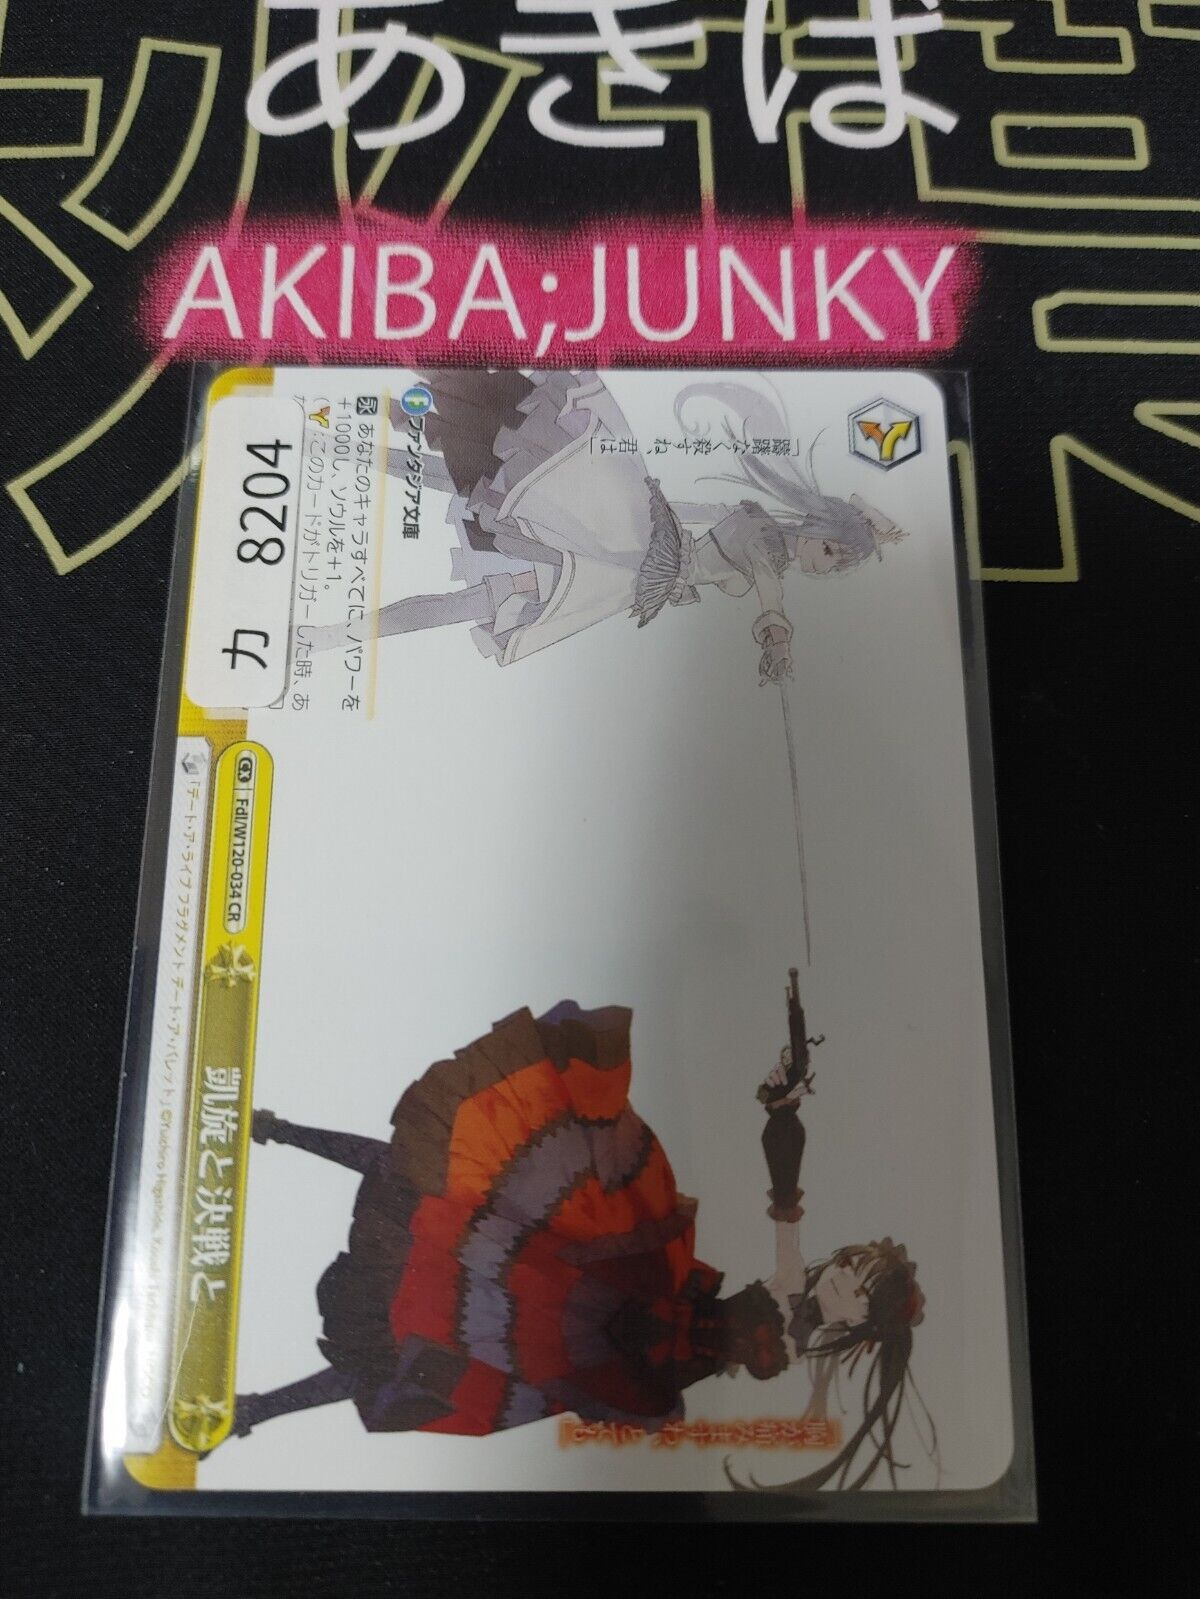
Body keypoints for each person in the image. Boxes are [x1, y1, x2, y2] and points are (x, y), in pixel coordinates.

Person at [233, 997, 928, 1491]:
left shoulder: (799, 1326)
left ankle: (257, 1406)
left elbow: (785, 1198)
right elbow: (785, 1190)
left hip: (619, 1353)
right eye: (853, 1267)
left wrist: (784, 1113)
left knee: (451, 1346)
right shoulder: (794, 1292)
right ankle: (281, 1131)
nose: (844, 1276)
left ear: (858, 1321)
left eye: (858, 1288)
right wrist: (783, 1108)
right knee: (481, 1190)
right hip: (632, 1295)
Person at [302, 372, 906, 681]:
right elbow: (766, 590)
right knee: (483, 525)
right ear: (819, 529)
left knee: (484, 513)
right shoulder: (767, 546)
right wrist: (778, 637)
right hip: (625, 554)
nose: (826, 566)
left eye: (837, 566)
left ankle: (340, 456)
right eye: (833, 552)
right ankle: (331, 629)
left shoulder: (752, 524)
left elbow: (693, 514)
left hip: (625, 559)